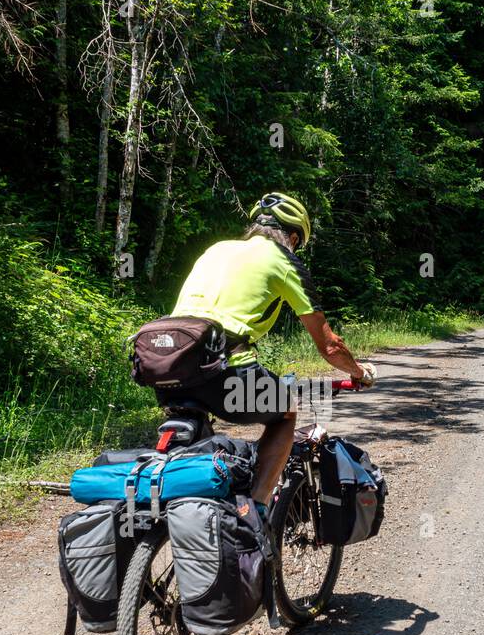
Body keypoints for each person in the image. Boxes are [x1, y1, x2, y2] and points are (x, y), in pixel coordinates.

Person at [156, 192, 375, 515]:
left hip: (165, 367)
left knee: (200, 444)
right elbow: (329, 346)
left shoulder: (216, 249)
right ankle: (255, 510)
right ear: (294, 237)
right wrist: (358, 372)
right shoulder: (283, 259)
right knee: (286, 410)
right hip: (222, 370)